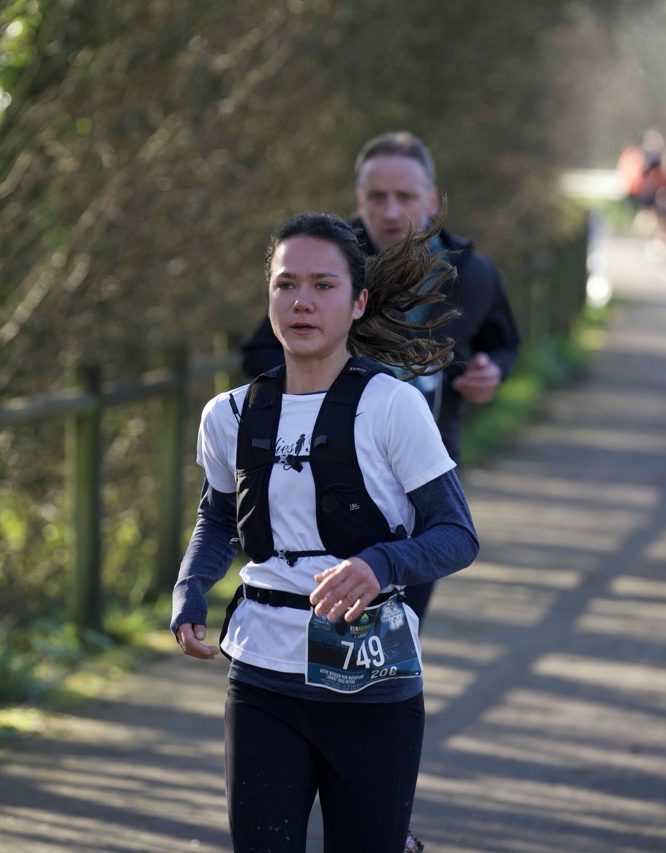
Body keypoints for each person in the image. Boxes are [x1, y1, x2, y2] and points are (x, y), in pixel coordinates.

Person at [172, 211, 479, 852]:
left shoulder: (394, 406)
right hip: (262, 677)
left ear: (358, 301)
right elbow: (218, 517)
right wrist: (191, 586)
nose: (301, 302)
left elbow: (456, 534)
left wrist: (379, 564)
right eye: (286, 285)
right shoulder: (228, 415)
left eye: (323, 285)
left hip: (372, 678)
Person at [240, 131, 518, 623]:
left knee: (401, 624)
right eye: (377, 197)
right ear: (358, 199)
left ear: (431, 200)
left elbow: (504, 341)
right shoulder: (325, 265)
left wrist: (491, 371)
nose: (390, 212)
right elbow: (260, 350)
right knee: (324, 623)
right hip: (329, 474)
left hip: (427, 471)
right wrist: (320, 374)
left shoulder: (474, 275)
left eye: (405, 197)